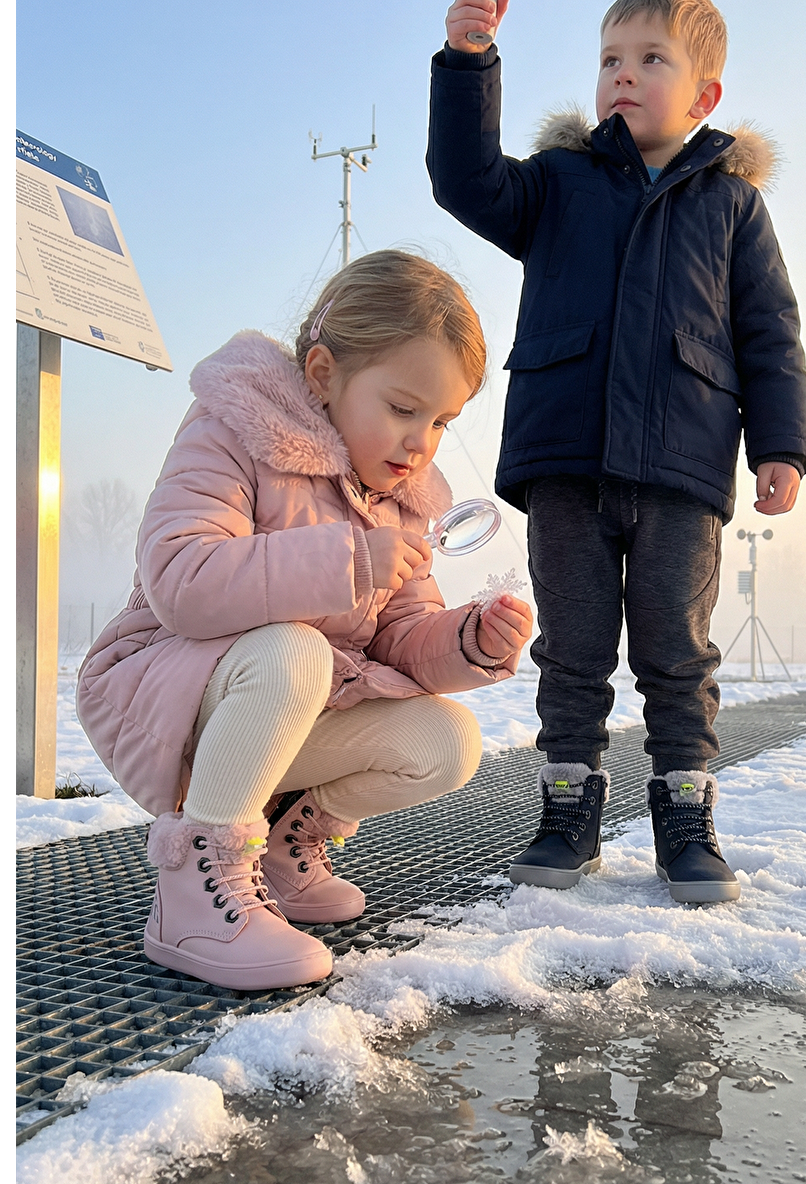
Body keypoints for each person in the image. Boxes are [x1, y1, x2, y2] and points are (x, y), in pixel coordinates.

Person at [427, 0, 806, 903]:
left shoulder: (731, 205)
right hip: (564, 460)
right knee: (572, 647)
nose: (623, 77)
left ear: (704, 95)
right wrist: (470, 65)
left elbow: (770, 330)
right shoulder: (557, 183)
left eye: (651, 60)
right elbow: (465, 181)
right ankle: (568, 810)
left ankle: (686, 817)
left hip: (682, 467)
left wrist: (782, 445)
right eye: (610, 60)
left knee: (677, 652)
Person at [77, 250, 533, 989]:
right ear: (323, 374)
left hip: (287, 712)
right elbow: (179, 577)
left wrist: (468, 640)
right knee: (296, 651)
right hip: (172, 698)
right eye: (403, 408)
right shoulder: (236, 428)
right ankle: (193, 891)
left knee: (448, 740)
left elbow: (398, 641)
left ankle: (288, 839)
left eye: (443, 421)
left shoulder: (401, 497)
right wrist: (346, 561)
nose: (422, 442)